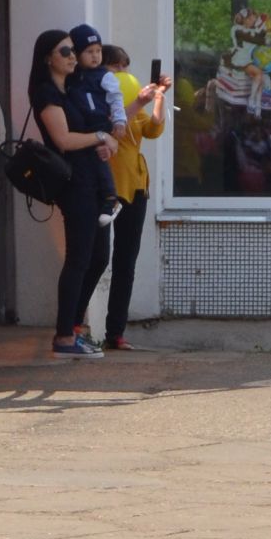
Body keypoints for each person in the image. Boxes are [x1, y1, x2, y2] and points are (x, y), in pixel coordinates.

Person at [27, 26, 116, 357]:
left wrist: (105, 138)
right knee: (79, 258)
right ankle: (64, 335)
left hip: (93, 180)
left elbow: (98, 127)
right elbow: (63, 140)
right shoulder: (46, 93)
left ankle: (74, 327)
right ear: (48, 57)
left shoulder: (72, 90)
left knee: (98, 257)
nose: (72, 56)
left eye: (72, 50)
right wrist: (100, 138)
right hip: (74, 183)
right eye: (64, 51)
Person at [100, 44, 168, 350]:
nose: (123, 75)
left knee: (126, 260)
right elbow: (110, 129)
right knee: (95, 259)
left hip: (136, 183)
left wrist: (156, 100)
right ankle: (76, 325)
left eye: (125, 68)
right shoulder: (98, 97)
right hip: (106, 183)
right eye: (117, 69)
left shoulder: (132, 98)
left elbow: (152, 131)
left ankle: (115, 330)